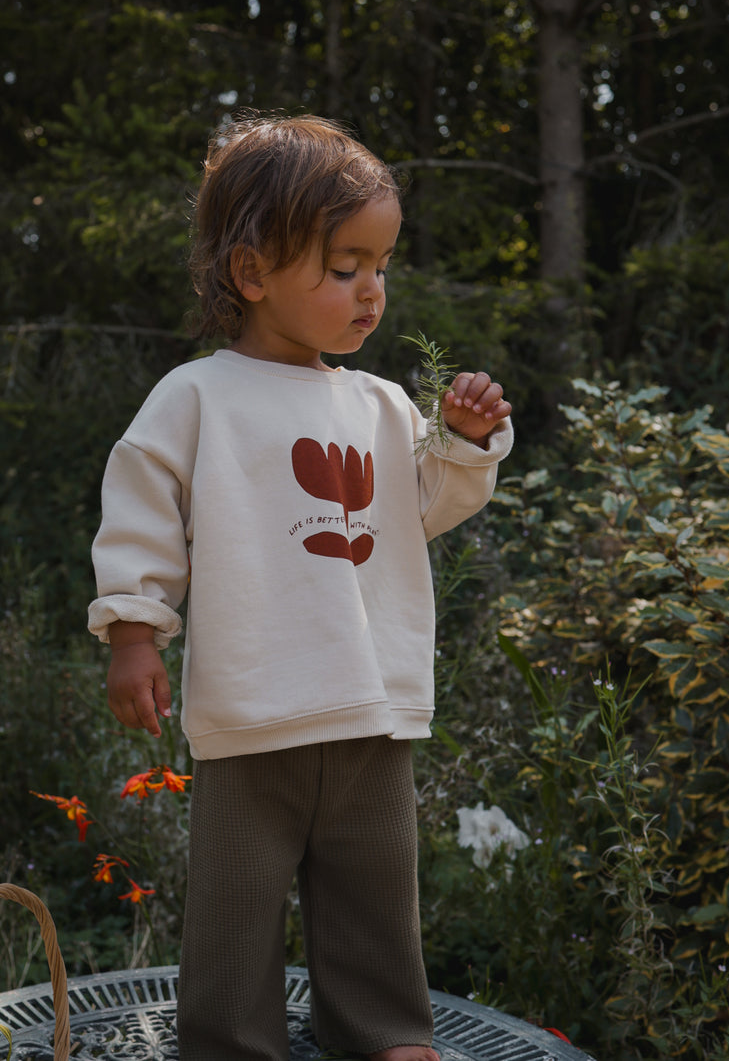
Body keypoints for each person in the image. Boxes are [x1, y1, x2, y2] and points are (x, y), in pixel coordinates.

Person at [88, 113, 513, 1061]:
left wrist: (465, 444)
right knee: (235, 907)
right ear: (252, 274)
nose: (372, 291)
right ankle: (231, 1042)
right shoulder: (198, 396)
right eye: (344, 266)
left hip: (371, 703)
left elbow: (422, 508)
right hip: (255, 710)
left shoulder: (379, 402)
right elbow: (142, 508)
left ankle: (387, 1033)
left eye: (382, 265)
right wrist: (133, 629)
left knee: (374, 891)